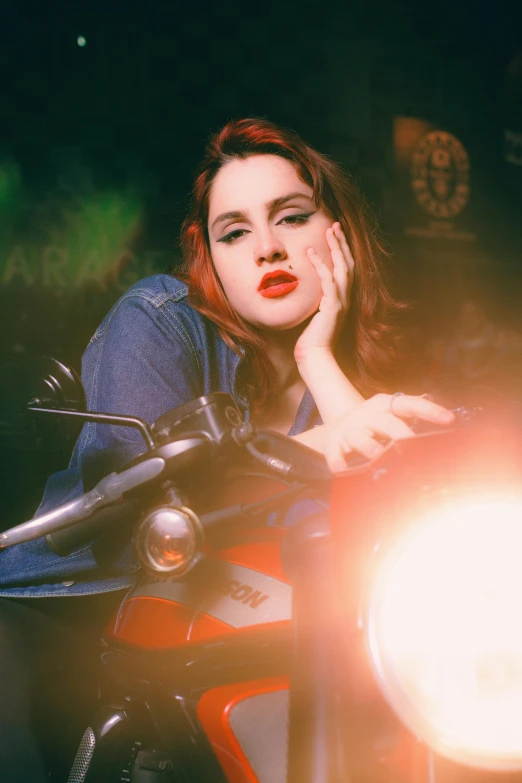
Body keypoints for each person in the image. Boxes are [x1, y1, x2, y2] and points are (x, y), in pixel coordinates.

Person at [0, 118, 454, 780]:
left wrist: (318, 355)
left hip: (251, 637)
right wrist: (314, 447)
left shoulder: (353, 376)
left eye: (292, 218)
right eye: (234, 232)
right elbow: (145, 532)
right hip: (77, 618)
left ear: (340, 233)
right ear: (208, 256)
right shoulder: (157, 319)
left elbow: (380, 527)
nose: (266, 248)